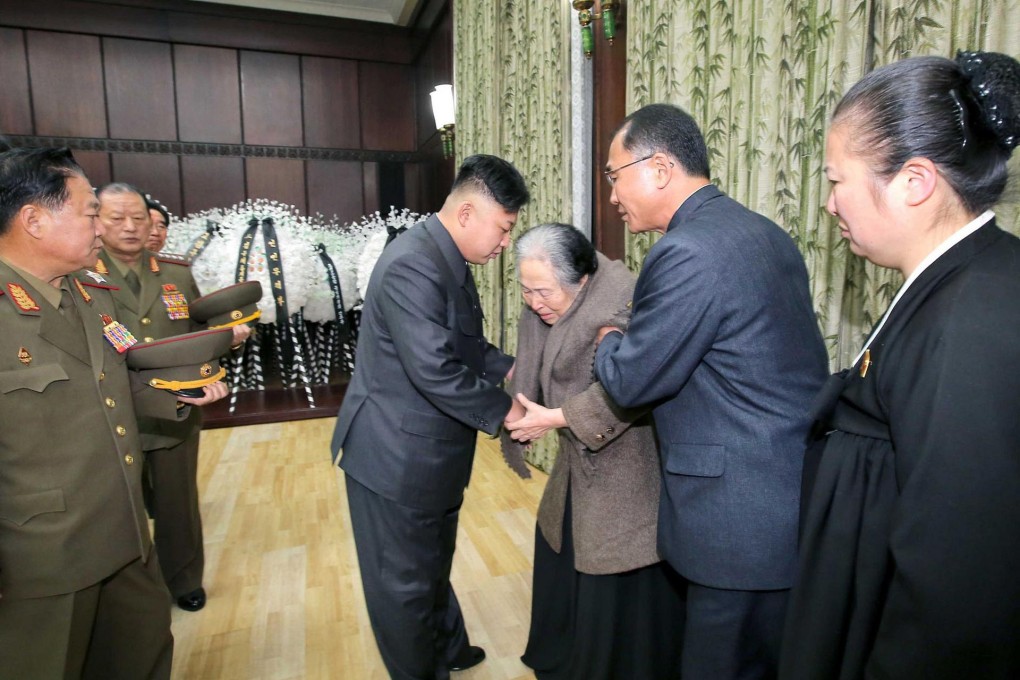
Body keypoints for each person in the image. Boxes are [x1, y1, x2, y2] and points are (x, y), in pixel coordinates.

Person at [780, 51, 1020, 680]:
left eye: (836, 181)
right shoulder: (963, 273)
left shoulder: (972, 317)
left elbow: (954, 575)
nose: (829, 204)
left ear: (914, 181)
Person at [592, 104, 829, 679]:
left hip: (737, 516)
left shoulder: (686, 251)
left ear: (661, 168)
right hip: (782, 492)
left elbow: (630, 382)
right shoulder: (762, 231)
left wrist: (607, 337)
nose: (614, 194)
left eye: (614, 174)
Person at [0, 147, 227, 678]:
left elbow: (113, 384)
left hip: (124, 535)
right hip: (42, 564)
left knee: (143, 657)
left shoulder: (88, 292)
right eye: (89, 213)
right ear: (34, 219)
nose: (102, 227)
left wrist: (181, 393)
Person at [331, 154, 529, 680]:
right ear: (467, 214)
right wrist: (509, 410)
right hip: (395, 459)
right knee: (404, 589)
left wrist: (519, 370)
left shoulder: (448, 256)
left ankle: (447, 648)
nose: (505, 243)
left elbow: (465, 346)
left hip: (431, 453)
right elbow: (435, 369)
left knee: (432, 564)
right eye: (503, 229)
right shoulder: (413, 264)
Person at [501, 223, 685, 680]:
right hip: (573, 470)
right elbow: (532, 364)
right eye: (526, 290)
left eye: (543, 292)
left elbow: (628, 392)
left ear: (581, 281)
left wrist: (554, 417)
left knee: (614, 577)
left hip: (626, 475)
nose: (533, 302)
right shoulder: (547, 298)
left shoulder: (622, 304)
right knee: (559, 551)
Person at [96, 182, 249, 612]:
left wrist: (227, 343)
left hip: (175, 409)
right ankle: (128, 594)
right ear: (96, 222)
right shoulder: (80, 276)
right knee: (118, 509)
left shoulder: (176, 273)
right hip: (113, 411)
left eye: (138, 218)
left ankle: (183, 580)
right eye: (116, 219)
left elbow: (198, 332)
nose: (130, 227)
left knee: (176, 502)